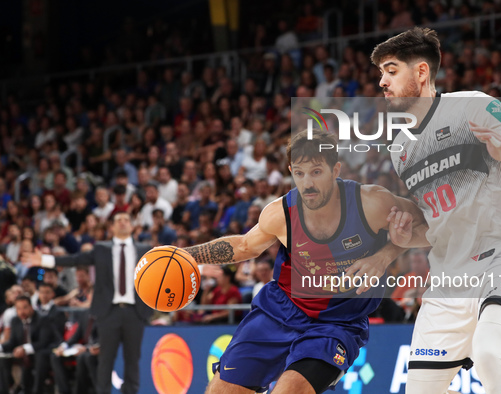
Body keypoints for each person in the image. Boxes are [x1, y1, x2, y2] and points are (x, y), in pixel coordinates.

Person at [372, 27, 501, 393]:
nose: (382, 81)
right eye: (381, 73)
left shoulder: (472, 107)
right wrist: (404, 235)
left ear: (422, 72)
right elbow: (437, 224)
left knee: (489, 357)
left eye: (391, 70)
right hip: (447, 278)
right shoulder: (400, 148)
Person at [182, 130, 427, 394]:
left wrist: (385, 255)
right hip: (279, 310)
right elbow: (243, 246)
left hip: (336, 324)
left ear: (335, 170)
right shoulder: (281, 213)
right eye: (299, 173)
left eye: (316, 172)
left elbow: (430, 224)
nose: (307, 183)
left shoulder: (371, 203)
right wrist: (187, 254)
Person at [24, 212, 152, 394]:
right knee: (105, 359)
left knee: (133, 360)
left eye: (126, 220)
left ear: (132, 226)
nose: (122, 223)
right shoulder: (101, 248)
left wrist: (200, 268)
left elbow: (168, 265)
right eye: (118, 220)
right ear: (112, 227)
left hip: (135, 312)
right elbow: (76, 259)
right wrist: (45, 259)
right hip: (109, 312)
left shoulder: (144, 250)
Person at [0, 295, 54, 394]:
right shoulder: (15, 320)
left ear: (31, 307)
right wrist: (1, 347)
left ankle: (36, 390)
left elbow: (44, 342)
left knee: (40, 356)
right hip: (20, 354)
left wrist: (24, 349)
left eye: (25, 307)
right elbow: (12, 342)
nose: (22, 311)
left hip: (38, 352)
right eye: (18, 308)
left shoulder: (42, 319)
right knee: (2, 358)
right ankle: (5, 390)